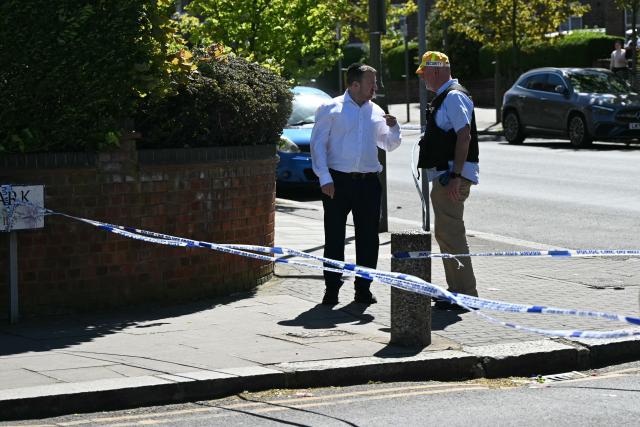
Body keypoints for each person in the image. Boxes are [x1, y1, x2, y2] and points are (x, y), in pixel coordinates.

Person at [310, 63, 401, 305]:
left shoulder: (376, 111)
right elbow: (317, 145)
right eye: (372, 82)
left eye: (376, 82)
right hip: (337, 181)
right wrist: (325, 178)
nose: (376, 87)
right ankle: (332, 289)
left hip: (368, 183)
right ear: (354, 84)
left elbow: (388, 145)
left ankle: (363, 289)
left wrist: (394, 129)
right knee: (335, 238)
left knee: (369, 239)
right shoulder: (331, 108)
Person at [415, 51, 479, 311]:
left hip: (451, 176)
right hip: (447, 175)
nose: (423, 79)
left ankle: (465, 294)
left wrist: (455, 176)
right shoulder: (447, 96)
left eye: (425, 73)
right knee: (446, 233)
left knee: (451, 234)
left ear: (437, 71)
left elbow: (465, 137)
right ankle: (457, 291)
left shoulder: (452, 96)